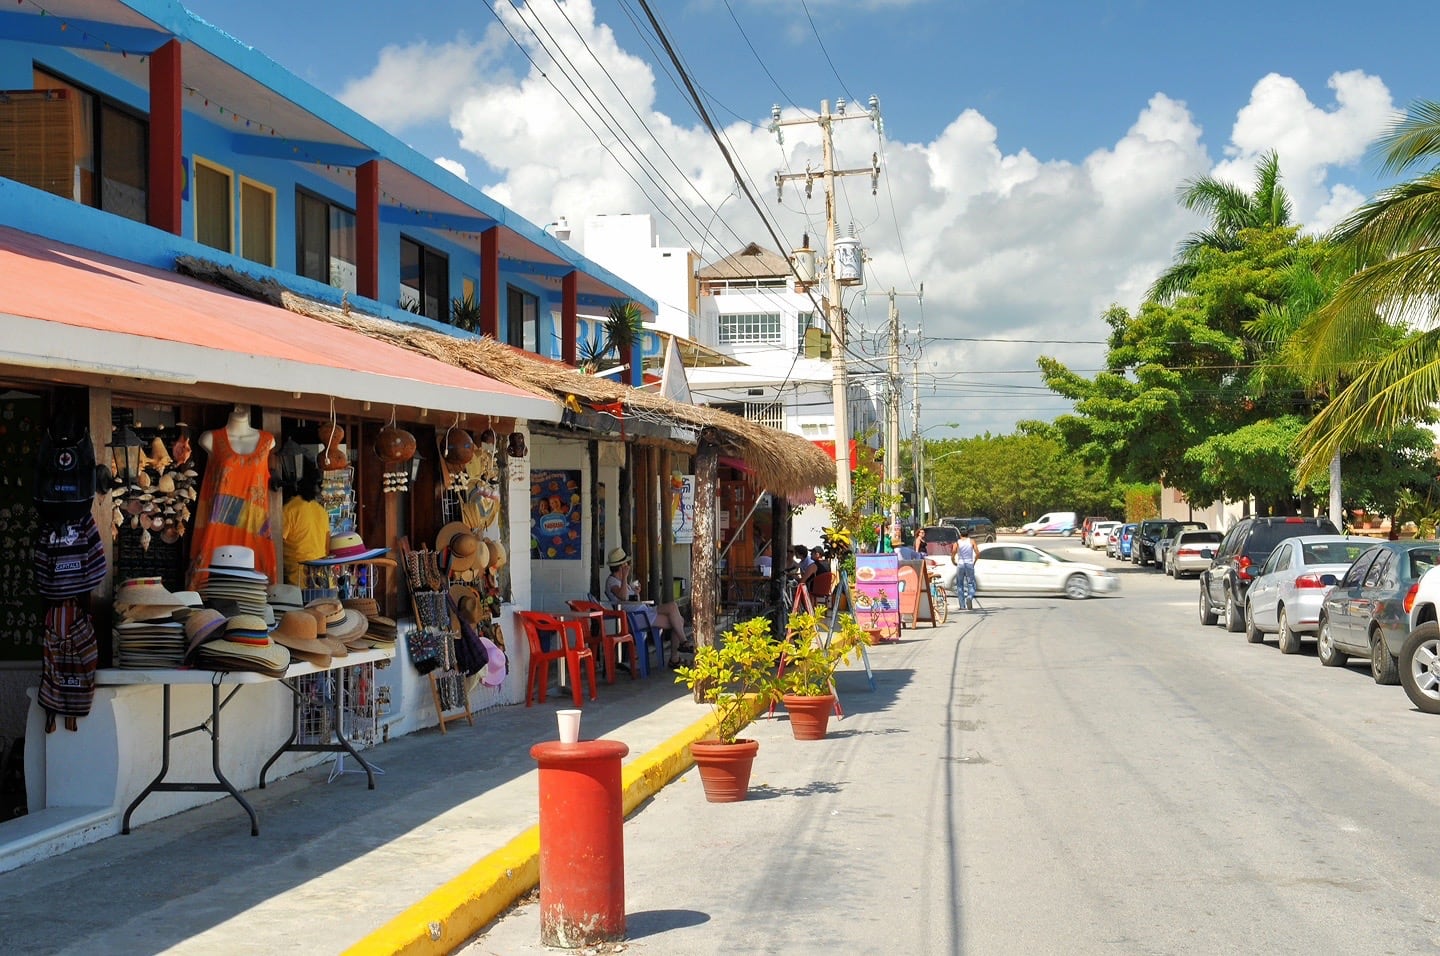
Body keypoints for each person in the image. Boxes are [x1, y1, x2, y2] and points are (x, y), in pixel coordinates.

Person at [605, 548, 690, 667]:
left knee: (672, 606)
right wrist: (625, 577)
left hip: (643, 611)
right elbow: (623, 596)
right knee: (678, 622)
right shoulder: (612, 581)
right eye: (626, 564)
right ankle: (677, 654)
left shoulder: (622, 582)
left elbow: (632, 600)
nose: (628, 566)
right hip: (636, 618)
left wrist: (636, 592)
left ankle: (682, 644)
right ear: (621, 566)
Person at [281, 465, 328, 587]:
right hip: (322, 579)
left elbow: (274, 541)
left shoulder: (289, 510)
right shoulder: (321, 511)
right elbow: (327, 545)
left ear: (297, 486)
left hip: (298, 581)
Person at [955, 527, 979, 610]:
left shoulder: (957, 542)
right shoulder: (972, 541)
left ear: (960, 534)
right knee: (971, 583)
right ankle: (969, 596)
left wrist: (953, 561)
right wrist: (974, 562)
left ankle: (962, 605)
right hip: (969, 564)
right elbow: (977, 553)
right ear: (968, 534)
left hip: (960, 564)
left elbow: (953, 552)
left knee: (959, 585)